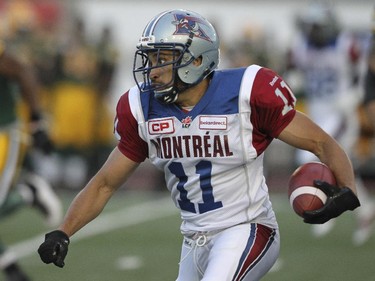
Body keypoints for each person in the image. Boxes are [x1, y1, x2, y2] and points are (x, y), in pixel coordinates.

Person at [37, 9, 360, 280]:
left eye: (163, 58)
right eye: (150, 58)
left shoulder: (247, 92)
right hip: (193, 240)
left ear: (195, 59)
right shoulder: (140, 107)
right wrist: (64, 230)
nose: (152, 70)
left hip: (247, 228)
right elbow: (105, 183)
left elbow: (321, 142)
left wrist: (348, 189)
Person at [285, 3, 374, 241]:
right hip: (316, 111)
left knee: (313, 157)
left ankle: (318, 205)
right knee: (339, 164)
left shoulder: (346, 45)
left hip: (340, 111)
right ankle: (364, 210)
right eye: (312, 27)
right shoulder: (301, 45)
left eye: (319, 27)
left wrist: (356, 93)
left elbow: (364, 71)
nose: (314, 32)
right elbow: (292, 70)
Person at [0, 39, 62, 281]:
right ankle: (11, 268)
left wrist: (37, 120)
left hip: (3, 133)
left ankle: (27, 192)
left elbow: (21, 70)